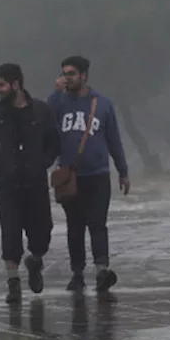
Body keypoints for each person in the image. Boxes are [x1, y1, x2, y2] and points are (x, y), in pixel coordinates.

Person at [0, 63, 62, 304]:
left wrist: (43, 162)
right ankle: (13, 283)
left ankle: (35, 261)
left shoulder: (41, 111)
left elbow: (54, 142)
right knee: (10, 234)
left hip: (35, 184)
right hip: (6, 185)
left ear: (16, 84)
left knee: (42, 232)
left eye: (1, 85)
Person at [48, 55, 130, 293]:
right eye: (64, 74)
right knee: (74, 226)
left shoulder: (102, 104)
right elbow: (44, 121)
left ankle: (102, 270)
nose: (67, 78)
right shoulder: (59, 103)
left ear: (83, 75)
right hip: (70, 176)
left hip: (98, 174)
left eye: (71, 74)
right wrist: (55, 94)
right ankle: (77, 273)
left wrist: (123, 171)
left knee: (98, 223)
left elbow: (114, 139)